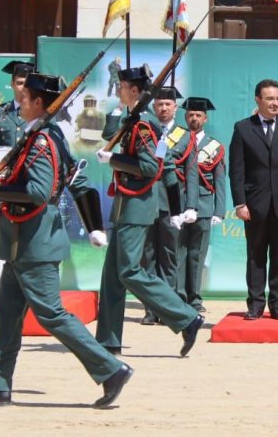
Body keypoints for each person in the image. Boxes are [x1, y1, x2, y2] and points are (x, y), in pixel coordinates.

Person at [0, 72, 133, 409]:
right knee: (6, 318)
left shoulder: (42, 140)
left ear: (39, 102)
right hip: (19, 242)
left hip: (34, 242)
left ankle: (110, 369)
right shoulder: (42, 134)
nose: (19, 103)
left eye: (25, 99)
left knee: (52, 314)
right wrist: (93, 224)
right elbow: (76, 178)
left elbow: (39, 193)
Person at [93, 66, 204, 355]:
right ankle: (108, 340)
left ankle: (186, 318)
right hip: (126, 204)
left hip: (137, 204)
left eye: (121, 86)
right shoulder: (136, 120)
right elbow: (161, 163)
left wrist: (113, 160)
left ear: (133, 89)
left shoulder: (143, 125)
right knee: (111, 276)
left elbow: (149, 166)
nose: (117, 89)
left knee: (129, 271)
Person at [228, 79, 278, 320]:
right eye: (270, 99)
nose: (275, 103)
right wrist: (240, 203)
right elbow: (237, 169)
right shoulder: (243, 128)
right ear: (258, 100)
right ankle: (255, 304)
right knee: (255, 255)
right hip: (255, 205)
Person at [140, 86, 191, 325]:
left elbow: (191, 173)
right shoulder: (144, 129)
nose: (163, 108)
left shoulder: (185, 135)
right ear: (153, 106)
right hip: (146, 200)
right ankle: (151, 308)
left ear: (175, 108)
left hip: (172, 203)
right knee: (148, 256)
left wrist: (189, 206)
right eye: (159, 104)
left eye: (168, 105)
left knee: (170, 257)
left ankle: (170, 307)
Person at [177, 97, 225, 312]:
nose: (194, 118)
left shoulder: (214, 147)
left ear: (205, 119)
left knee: (197, 255)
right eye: (190, 115)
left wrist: (220, 211)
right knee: (178, 254)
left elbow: (220, 179)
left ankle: (194, 298)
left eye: (198, 115)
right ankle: (178, 297)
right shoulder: (176, 140)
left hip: (204, 207)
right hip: (177, 205)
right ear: (185, 117)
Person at [0, 61, 31, 147]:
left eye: (27, 84)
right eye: (20, 83)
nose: (24, 88)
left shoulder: (39, 113)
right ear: (12, 84)